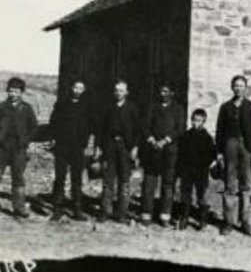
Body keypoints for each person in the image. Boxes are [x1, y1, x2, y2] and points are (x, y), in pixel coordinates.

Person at [215, 74, 251, 235]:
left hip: (247, 147)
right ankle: (228, 222)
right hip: (230, 145)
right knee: (229, 185)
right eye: (236, 85)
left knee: (246, 185)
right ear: (232, 87)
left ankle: (245, 221)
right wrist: (219, 152)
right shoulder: (225, 107)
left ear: (246, 88)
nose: (238, 88)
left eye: (241, 86)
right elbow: (220, 131)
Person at [0, 76, 38, 219]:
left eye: (16, 91)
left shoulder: (26, 109)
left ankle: (19, 208)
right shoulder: (0, 107)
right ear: (7, 91)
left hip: (19, 149)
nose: (13, 94)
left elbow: (33, 128)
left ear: (21, 92)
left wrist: (25, 141)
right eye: (11, 91)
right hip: (1, 148)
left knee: (18, 178)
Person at [47, 78, 95, 221]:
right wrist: (53, 138)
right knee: (60, 178)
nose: (77, 91)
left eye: (80, 88)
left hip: (78, 147)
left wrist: (88, 143)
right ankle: (57, 209)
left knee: (76, 179)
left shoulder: (87, 106)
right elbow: (53, 123)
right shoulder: (62, 104)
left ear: (84, 90)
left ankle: (77, 210)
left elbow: (91, 126)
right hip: (62, 146)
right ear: (71, 88)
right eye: (75, 87)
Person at [96, 80, 141, 224]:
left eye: (121, 90)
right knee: (108, 181)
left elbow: (138, 130)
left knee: (124, 182)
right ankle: (106, 211)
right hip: (110, 147)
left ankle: (122, 213)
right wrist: (98, 147)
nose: (118, 93)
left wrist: (135, 148)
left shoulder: (133, 108)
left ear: (126, 93)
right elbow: (101, 129)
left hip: (125, 148)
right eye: (116, 90)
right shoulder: (108, 107)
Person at [140, 83, 184, 226]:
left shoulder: (178, 109)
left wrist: (165, 141)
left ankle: (165, 215)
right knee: (149, 183)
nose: (163, 94)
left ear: (172, 93)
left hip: (170, 151)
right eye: (161, 91)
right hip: (152, 151)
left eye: (166, 91)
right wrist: (152, 140)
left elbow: (180, 128)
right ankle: (146, 214)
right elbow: (145, 126)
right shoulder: (152, 107)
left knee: (168, 184)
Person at [177, 108, 216, 230]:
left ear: (204, 122)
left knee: (202, 196)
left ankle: (202, 221)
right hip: (187, 170)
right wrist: (181, 168)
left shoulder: (207, 138)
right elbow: (181, 152)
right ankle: (183, 219)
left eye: (199, 121)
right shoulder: (186, 135)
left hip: (201, 171)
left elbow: (212, 155)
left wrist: (205, 166)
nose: (196, 123)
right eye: (194, 120)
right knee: (185, 195)